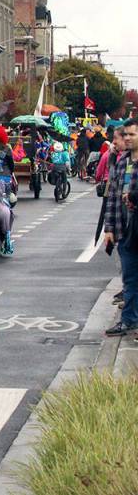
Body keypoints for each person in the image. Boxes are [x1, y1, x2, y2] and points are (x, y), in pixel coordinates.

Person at [103, 119, 138, 336]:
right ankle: (129, 320)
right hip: (125, 229)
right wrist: (110, 229)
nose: (127, 138)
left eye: (132, 135)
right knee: (129, 278)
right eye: (125, 134)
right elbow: (113, 199)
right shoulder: (122, 162)